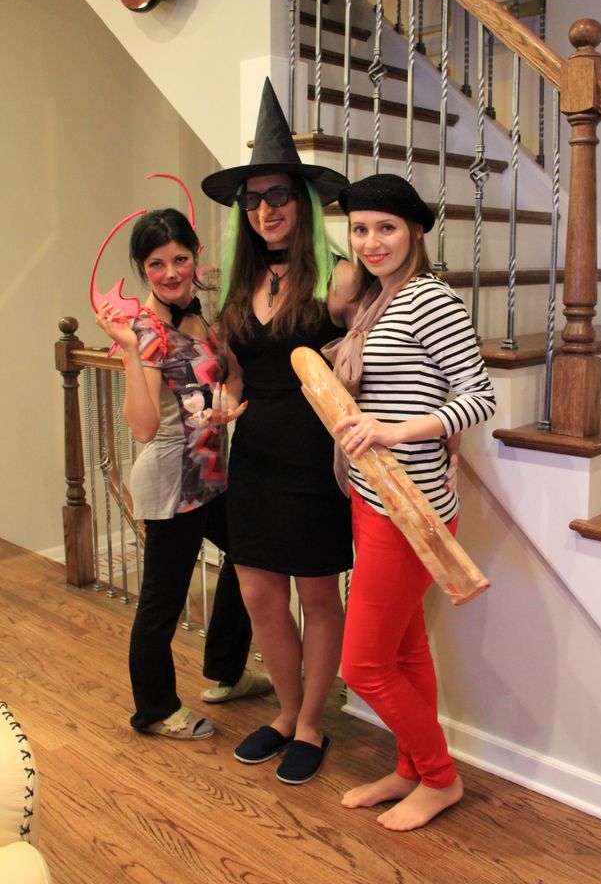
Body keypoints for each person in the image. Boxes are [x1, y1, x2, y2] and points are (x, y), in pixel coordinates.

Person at [327, 173, 496, 830]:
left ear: (415, 232)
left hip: (409, 504)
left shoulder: (431, 300)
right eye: (360, 229)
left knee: (363, 665)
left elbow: (478, 397)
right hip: (372, 494)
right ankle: (410, 769)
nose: (372, 241)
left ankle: (441, 777)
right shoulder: (378, 299)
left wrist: (392, 431)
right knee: (402, 650)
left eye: (386, 228)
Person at [201, 78, 356, 784]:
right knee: (260, 595)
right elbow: (236, 376)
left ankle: (314, 723)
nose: (267, 209)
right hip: (256, 456)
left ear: (303, 202)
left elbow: (374, 356)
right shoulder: (236, 287)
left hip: (316, 457)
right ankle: (286, 713)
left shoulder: (340, 280)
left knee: (318, 596)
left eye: (279, 195)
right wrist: (221, 400)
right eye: (254, 199)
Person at [95, 207, 271, 740]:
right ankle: (155, 709)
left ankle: (226, 671)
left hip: (211, 473)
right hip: (173, 481)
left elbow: (233, 374)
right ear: (142, 269)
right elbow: (144, 427)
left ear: (196, 257)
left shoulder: (202, 313)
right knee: (162, 600)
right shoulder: (146, 332)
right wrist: (131, 352)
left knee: (251, 555)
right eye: (156, 264)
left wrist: (226, 402)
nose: (170, 273)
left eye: (179, 259)